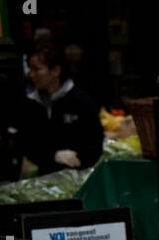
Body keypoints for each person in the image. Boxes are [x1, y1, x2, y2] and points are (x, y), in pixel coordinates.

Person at [7, 42, 103, 174]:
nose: (31, 75)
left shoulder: (81, 102)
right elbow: (26, 143)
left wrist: (78, 159)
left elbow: (95, 143)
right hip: (44, 179)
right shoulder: (30, 104)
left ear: (56, 71)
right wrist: (54, 156)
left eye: (37, 69)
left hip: (78, 176)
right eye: (30, 69)